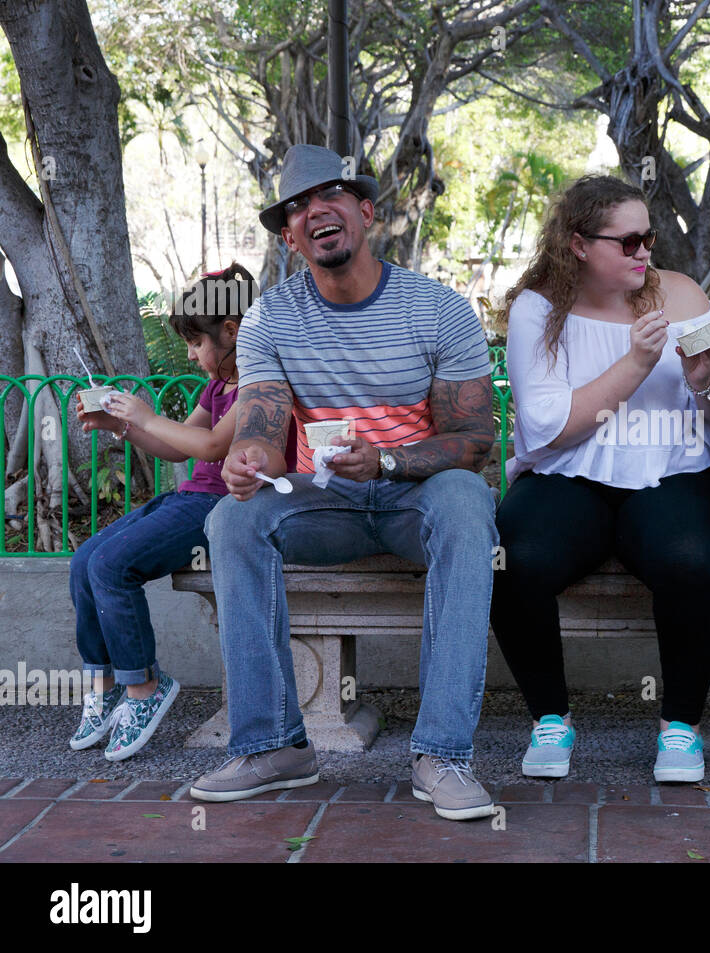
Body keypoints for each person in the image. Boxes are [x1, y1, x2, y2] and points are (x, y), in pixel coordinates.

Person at [189, 145, 501, 816]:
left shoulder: (438, 310)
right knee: (230, 519)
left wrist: (387, 461)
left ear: (363, 212)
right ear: (288, 236)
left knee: (467, 500)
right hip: (323, 502)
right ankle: (275, 744)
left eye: (329, 194)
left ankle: (442, 754)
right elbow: (264, 434)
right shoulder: (272, 317)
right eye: (296, 207)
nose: (313, 210)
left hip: (412, 499)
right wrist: (246, 460)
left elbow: (474, 440)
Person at [491, 174, 710, 782]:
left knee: (694, 560)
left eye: (647, 238)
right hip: (569, 472)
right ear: (579, 244)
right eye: (626, 242)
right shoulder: (538, 307)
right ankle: (551, 716)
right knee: (510, 559)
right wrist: (635, 362)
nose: (644, 253)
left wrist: (705, 379)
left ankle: (680, 726)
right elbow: (550, 428)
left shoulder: (681, 295)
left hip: (672, 468)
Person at [69, 263, 266, 760]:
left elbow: (210, 446)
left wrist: (149, 414)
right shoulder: (216, 387)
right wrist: (123, 425)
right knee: (83, 561)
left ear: (232, 331)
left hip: (218, 507)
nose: (191, 354)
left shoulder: (260, 386)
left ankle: (145, 688)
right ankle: (106, 685)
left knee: (112, 567)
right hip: (186, 499)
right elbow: (179, 450)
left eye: (196, 343)